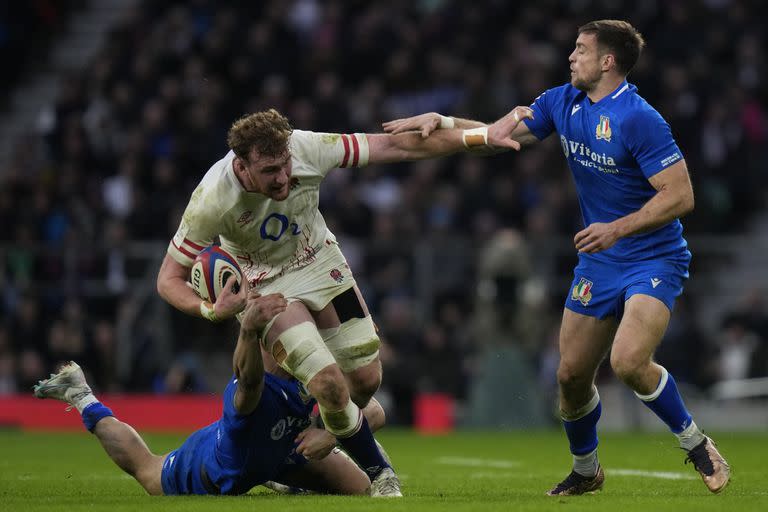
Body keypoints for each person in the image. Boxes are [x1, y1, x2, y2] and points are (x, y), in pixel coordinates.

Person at [383, 19, 730, 496]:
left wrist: (617, 228)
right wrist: (442, 122)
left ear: (608, 61)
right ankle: (586, 471)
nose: (571, 56)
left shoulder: (638, 117)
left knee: (629, 361)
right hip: (599, 261)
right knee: (569, 376)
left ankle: (695, 443)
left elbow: (680, 195)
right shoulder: (560, 101)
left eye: (581, 49)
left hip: (652, 257)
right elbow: (498, 136)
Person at [156, 107, 531, 495]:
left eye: (285, 164)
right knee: (328, 383)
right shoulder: (213, 198)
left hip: (322, 264)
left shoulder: (306, 147)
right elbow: (168, 279)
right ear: (243, 165)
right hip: (264, 283)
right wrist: (209, 310)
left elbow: (396, 147)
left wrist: (480, 135)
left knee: (367, 382)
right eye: (270, 171)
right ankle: (381, 474)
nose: (284, 177)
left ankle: (311, 441)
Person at [33, 291, 385, 496]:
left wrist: (329, 434)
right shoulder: (252, 392)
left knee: (364, 492)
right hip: (213, 467)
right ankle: (82, 396)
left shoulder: (315, 374)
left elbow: (375, 412)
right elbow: (247, 381)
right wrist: (247, 330)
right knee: (148, 472)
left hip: (287, 455)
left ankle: (281, 479)